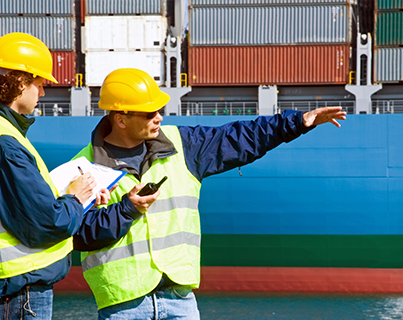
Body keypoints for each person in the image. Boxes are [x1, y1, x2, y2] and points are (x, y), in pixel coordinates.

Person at [71, 68, 347, 319]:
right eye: (149, 113)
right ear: (121, 119)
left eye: (159, 109)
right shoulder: (83, 168)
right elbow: (79, 235)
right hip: (123, 305)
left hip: (179, 299)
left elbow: (239, 137)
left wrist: (298, 122)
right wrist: (127, 209)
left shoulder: (183, 144)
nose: (159, 117)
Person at [0, 34, 159, 320]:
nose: (42, 93)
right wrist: (75, 199)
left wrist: (82, 199)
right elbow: (46, 223)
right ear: (20, 83)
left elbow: (24, 205)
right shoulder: (4, 142)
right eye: (39, 84)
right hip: (19, 288)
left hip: (13, 286)